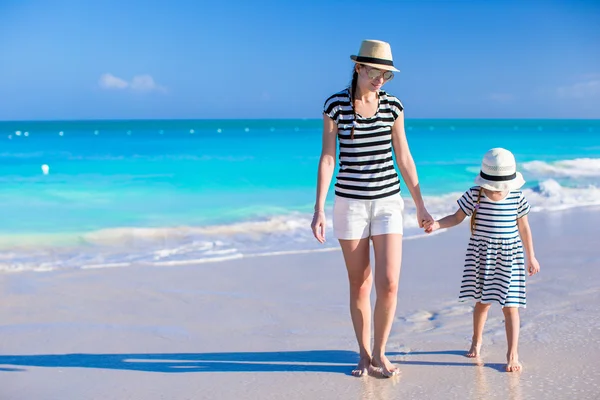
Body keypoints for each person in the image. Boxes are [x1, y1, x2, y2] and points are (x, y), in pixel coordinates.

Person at [311, 39, 433, 377]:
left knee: (390, 282)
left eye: (387, 74)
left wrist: (420, 204)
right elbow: (328, 157)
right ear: (359, 67)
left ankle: (380, 352)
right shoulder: (335, 104)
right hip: (349, 205)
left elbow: (404, 156)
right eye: (376, 72)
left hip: (388, 203)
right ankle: (363, 353)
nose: (381, 79)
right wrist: (319, 209)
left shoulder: (394, 106)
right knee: (360, 283)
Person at [424, 148, 541, 372]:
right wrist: (437, 223)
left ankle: (512, 353)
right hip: (483, 256)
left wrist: (531, 256)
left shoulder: (517, 196)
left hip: (511, 256)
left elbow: (524, 228)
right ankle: (476, 341)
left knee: (511, 306)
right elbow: (457, 217)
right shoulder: (475, 194)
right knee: (482, 303)